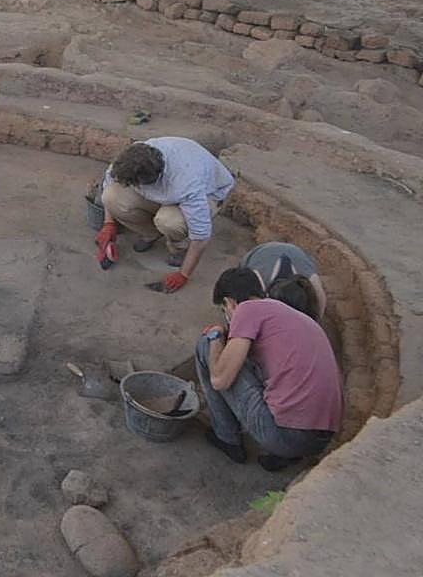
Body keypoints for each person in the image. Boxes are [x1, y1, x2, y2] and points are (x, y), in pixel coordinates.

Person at [196, 268, 342, 471]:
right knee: (257, 365)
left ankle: (227, 438)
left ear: (230, 302)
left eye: (224, 310)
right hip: (320, 439)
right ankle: (284, 456)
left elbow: (219, 380)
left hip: (285, 435)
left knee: (206, 345)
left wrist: (216, 334)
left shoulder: (247, 309)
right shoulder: (290, 315)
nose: (227, 316)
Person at [94, 137, 235, 293]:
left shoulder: (186, 183)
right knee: (110, 196)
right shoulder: (128, 158)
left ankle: (180, 248)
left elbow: (201, 236)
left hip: (210, 193)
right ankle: (151, 233)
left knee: (169, 221)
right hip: (168, 188)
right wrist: (108, 223)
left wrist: (183, 274)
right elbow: (110, 181)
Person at [240, 241, 326, 319]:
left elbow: (315, 319)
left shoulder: (315, 289)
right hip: (260, 253)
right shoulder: (255, 280)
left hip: (296, 254)